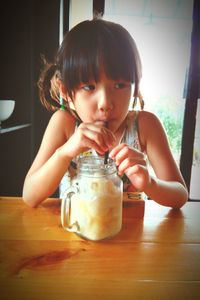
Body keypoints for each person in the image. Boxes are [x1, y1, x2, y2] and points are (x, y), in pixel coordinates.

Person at [22, 18, 188, 208]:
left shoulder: (145, 126)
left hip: (131, 234)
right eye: (89, 86)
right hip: (77, 231)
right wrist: (65, 153)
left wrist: (150, 183)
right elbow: (29, 195)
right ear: (66, 91)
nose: (106, 103)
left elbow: (180, 195)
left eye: (119, 85)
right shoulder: (64, 124)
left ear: (134, 87)